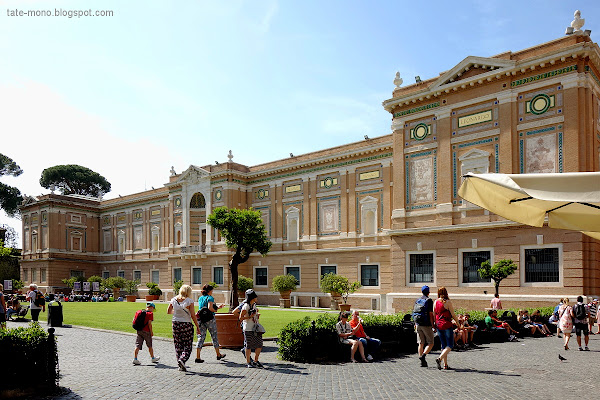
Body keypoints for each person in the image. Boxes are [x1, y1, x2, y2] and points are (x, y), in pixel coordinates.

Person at [167, 284, 200, 371]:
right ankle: (183, 359)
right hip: (186, 324)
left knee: (178, 345)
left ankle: (180, 363)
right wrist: (197, 326)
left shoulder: (173, 300)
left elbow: (168, 311)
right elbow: (193, 315)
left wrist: (177, 312)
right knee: (188, 345)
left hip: (175, 323)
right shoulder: (189, 301)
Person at [195, 284, 226, 363]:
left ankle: (198, 356)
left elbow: (204, 308)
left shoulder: (200, 298)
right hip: (210, 319)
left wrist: (218, 307)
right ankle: (218, 354)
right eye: (212, 290)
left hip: (201, 319)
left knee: (201, 337)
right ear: (209, 291)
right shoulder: (210, 298)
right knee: (214, 336)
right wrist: (216, 310)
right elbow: (210, 308)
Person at [433, 287, 458, 370]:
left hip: (438, 324)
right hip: (446, 324)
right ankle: (439, 359)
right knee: (450, 345)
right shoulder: (447, 302)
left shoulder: (435, 302)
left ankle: (445, 365)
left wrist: (434, 324)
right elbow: (453, 314)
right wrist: (458, 323)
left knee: (443, 345)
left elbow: (434, 314)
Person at [239, 289, 265, 368]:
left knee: (259, 344)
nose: (256, 298)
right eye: (255, 297)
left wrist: (256, 315)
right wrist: (249, 316)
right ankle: (248, 362)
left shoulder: (254, 305)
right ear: (252, 298)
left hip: (255, 327)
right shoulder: (245, 306)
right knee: (248, 346)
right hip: (248, 328)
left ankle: (256, 360)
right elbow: (240, 318)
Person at [413, 285, 435, 367]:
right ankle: (423, 356)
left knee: (421, 343)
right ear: (429, 292)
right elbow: (430, 314)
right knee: (431, 342)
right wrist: (433, 325)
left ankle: (421, 361)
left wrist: (415, 323)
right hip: (426, 324)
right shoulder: (429, 300)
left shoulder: (418, 300)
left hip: (418, 323)